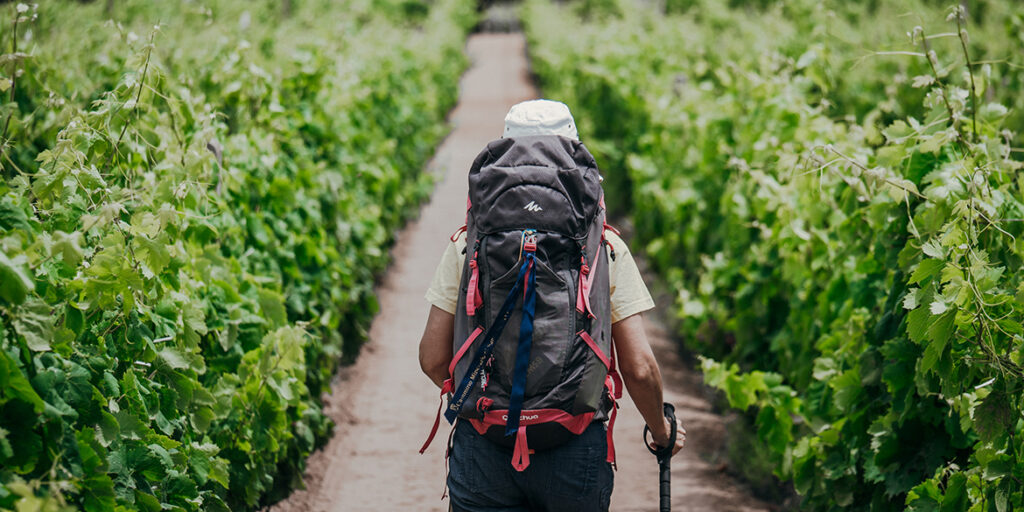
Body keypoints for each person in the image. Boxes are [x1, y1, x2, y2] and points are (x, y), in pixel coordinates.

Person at [418, 99, 685, 511]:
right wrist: (661, 430)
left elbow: (433, 358)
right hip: (573, 448)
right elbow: (638, 367)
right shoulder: (605, 247)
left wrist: (483, 397)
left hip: (485, 447)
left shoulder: (468, 244)